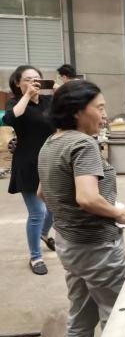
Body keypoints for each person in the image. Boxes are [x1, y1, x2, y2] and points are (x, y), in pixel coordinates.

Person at [37, 80, 125, 337]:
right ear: (78, 111)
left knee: (80, 317)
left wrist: (69, 217)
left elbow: (42, 193)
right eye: (100, 107)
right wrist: (118, 213)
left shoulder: (51, 143)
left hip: (69, 245)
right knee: (118, 319)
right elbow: (88, 198)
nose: (105, 115)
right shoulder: (83, 144)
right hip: (97, 248)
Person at [2, 65, 55, 275]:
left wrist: (61, 90)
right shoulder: (15, 102)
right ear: (18, 83)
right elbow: (9, 119)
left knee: (54, 208)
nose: (33, 82)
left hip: (51, 161)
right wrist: (27, 96)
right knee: (37, 212)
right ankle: (35, 257)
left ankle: (44, 234)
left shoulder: (49, 101)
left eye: (37, 78)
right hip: (28, 163)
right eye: (27, 79)